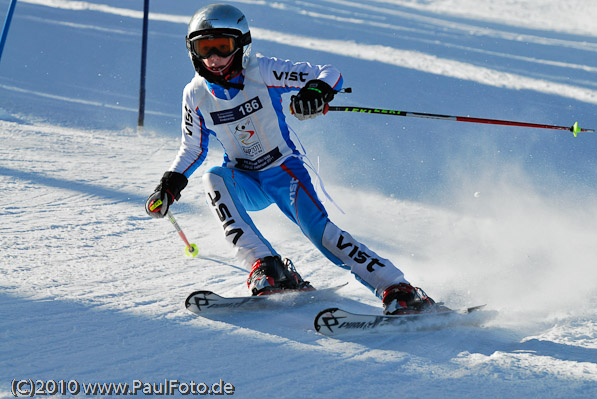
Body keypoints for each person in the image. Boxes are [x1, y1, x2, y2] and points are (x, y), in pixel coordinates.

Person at [145, 3, 436, 315]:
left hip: (283, 170)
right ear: (193, 52)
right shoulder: (196, 94)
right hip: (244, 178)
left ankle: (397, 287)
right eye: (205, 48)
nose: (214, 57)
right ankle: (268, 267)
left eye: (223, 46)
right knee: (213, 178)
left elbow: (329, 73)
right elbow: (192, 148)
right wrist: (169, 186)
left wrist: (316, 91)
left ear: (241, 45)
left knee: (320, 234)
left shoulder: (262, 71)